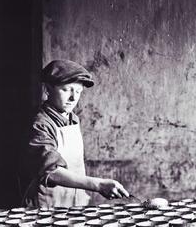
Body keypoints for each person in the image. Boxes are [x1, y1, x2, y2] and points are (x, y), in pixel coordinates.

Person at [22, 59, 130, 208]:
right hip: (47, 206)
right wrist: (98, 185)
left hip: (74, 202)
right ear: (48, 89)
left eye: (78, 91)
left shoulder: (73, 119)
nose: (73, 98)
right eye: (66, 90)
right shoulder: (41, 124)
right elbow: (51, 171)